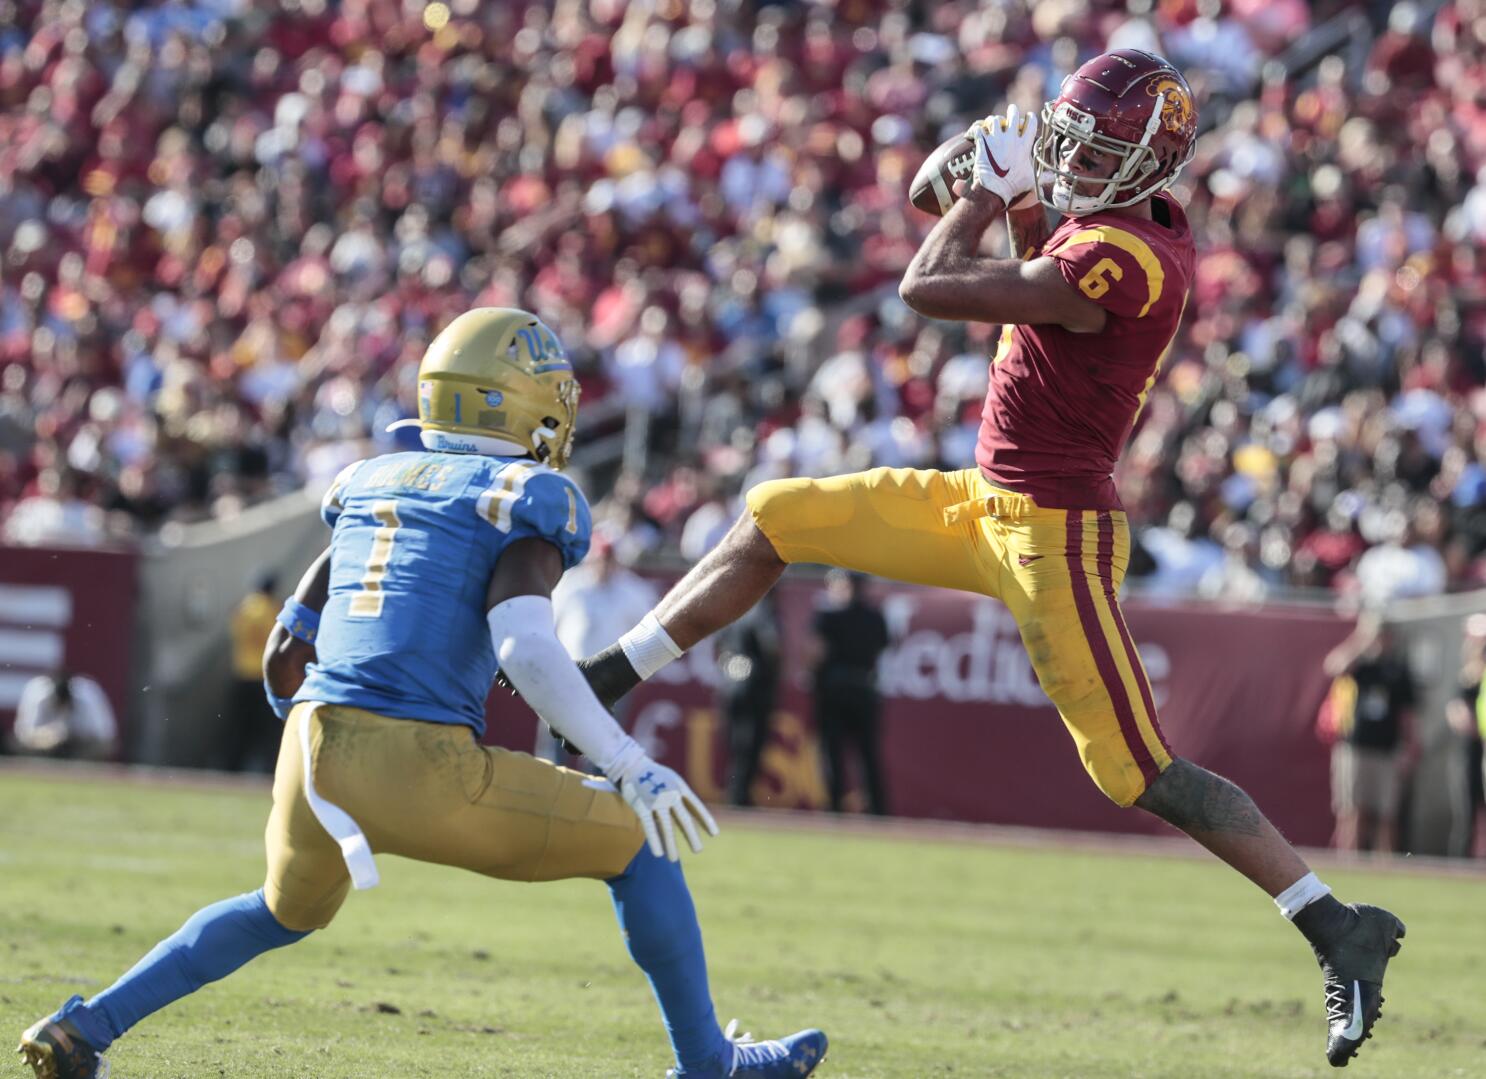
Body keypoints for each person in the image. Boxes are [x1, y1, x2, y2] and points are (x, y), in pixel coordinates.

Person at [567, 53, 1404, 1069]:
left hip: (1056, 532)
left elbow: (928, 284)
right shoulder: (1101, 232)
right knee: (773, 515)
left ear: (1146, 166)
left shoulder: (1130, 260)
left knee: (1136, 769)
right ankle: (602, 682)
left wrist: (982, 190)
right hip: (984, 501)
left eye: (1093, 152)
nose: (1073, 163)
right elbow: (949, 213)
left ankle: (1336, 926)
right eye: (1071, 142)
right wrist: (983, 180)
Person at [17, 309, 827, 1079]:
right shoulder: (520, 495)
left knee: (279, 908)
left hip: (311, 744)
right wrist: (626, 760)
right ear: (521, 406)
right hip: (417, 760)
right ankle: (707, 1064)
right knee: (643, 845)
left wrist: (334, 726)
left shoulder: (373, 481)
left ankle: (87, 1025)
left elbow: (282, 655)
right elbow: (523, 644)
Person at [540, 531, 657, 765]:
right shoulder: (570, 585)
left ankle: (599, 789)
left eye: (609, 560)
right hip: (567, 672)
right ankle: (550, 789)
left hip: (610, 676)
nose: (604, 566)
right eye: (600, 559)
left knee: (604, 742)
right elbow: (546, 625)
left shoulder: (632, 590)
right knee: (556, 737)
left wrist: (636, 671)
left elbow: (650, 631)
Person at [1319, 614, 1418, 854]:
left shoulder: (1398, 669)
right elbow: (1333, 667)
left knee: (1387, 813)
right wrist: (1360, 640)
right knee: (1352, 809)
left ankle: (1385, 867)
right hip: (1355, 747)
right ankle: (1348, 862)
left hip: (1387, 749)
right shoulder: (1360, 664)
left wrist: (1408, 748)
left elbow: (1408, 715)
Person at [808, 571, 890, 815]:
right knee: (866, 754)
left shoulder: (827, 616)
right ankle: (876, 809)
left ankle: (835, 807)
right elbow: (881, 649)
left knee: (832, 752)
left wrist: (813, 676)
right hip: (864, 688)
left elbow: (816, 652)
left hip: (834, 689)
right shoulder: (875, 617)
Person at [714, 591, 781, 806]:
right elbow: (771, 647)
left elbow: (719, 647)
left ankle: (736, 793)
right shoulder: (763, 611)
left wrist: (729, 669)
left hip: (731, 684)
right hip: (755, 685)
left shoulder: (735, 609)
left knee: (735, 743)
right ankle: (740, 796)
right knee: (751, 744)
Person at [224, 574, 283, 772]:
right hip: (262, 677)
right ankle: (268, 769)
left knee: (239, 727)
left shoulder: (243, 608)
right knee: (267, 730)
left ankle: (232, 768)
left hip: (241, 673)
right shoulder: (273, 609)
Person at [1444, 613, 1486, 857]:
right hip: (1468, 754)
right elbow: (1459, 716)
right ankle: (1460, 867)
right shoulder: (1466, 679)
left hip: (1479, 752)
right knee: (1466, 817)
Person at [9, 669, 117, 760]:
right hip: (44, 746)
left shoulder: (87, 696)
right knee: (16, 744)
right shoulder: (38, 696)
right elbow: (22, 734)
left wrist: (71, 736)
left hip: (80, 745)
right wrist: (48, 737)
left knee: (102, 748)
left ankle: (80, 772)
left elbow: (106, 738)